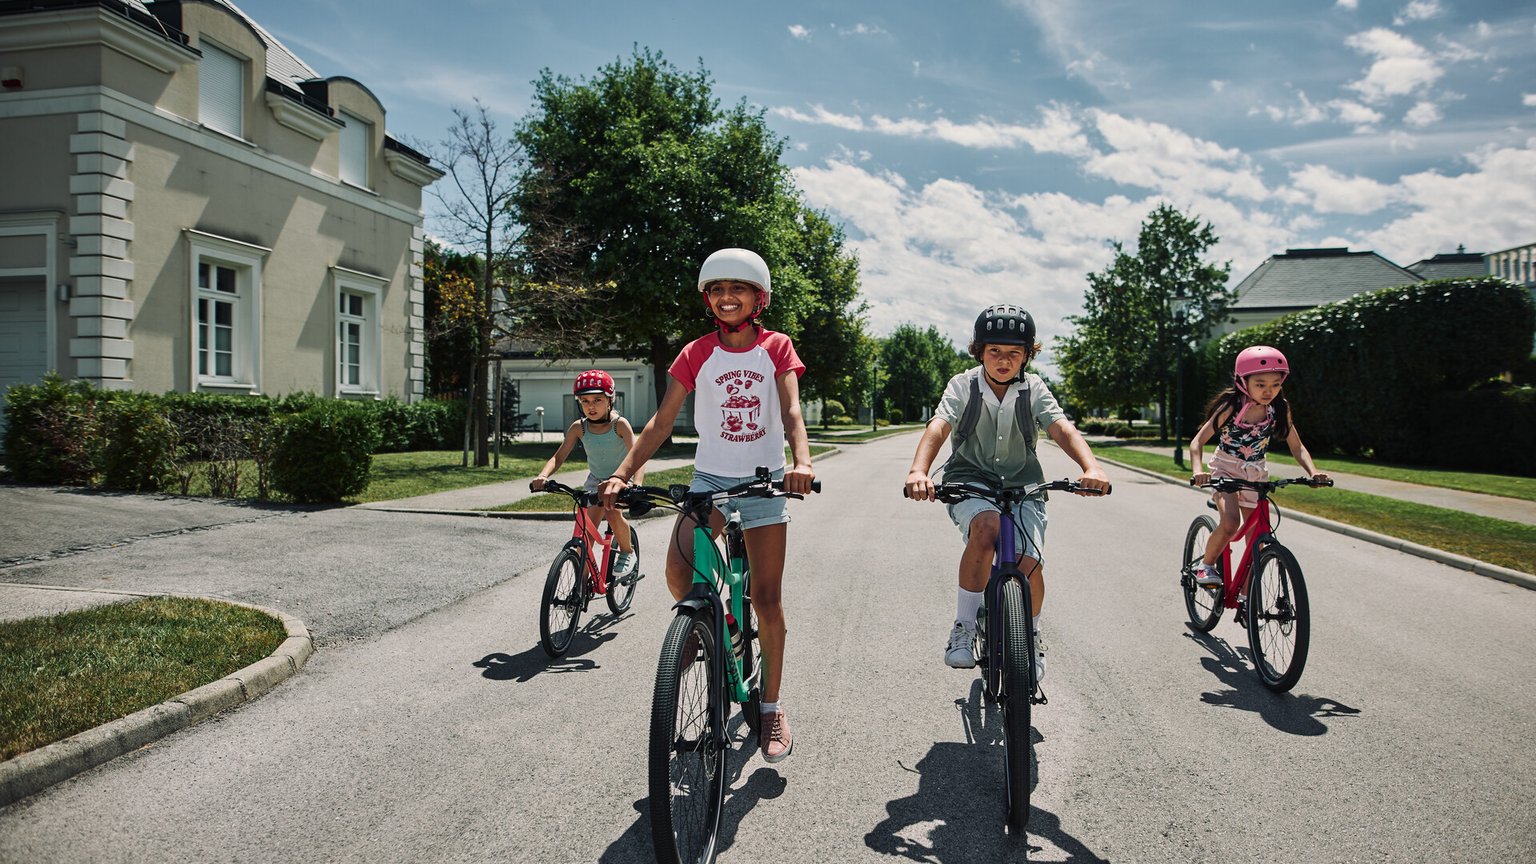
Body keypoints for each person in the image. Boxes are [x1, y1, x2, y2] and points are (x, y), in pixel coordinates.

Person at [600, 247, 815, 765]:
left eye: (737, 289)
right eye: (716, 290)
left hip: (765, 482)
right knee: (678, 568)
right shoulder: (696, 352)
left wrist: (801, 462)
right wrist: (622, 472)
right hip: (711, 479)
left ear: (758, 297)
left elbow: (790, 412)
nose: (726, 298)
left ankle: (771, 707)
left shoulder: (776, 346)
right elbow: (660, 421)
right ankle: (719, 626)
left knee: (766, 598)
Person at [904, 304, 1110, 684]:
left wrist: (1090, 467)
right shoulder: (963, 385)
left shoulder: (1034, 389)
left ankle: (1030, 636)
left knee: (1029, 561)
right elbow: (940, 425)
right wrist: (919, 470)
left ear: (1027, 355)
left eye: (1014, 353)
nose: (1003, 360)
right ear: (979, 351)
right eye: (994, 351)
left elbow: (1060, 427)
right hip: (971, 479)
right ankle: (963, 628)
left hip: (1024, 483)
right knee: (986, 530)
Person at [1188, 345, 1328, 590]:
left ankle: (1246, 597)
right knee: (1230, 523)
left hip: (1256, 474)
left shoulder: (1277, 409)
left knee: (1257, 541)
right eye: (1261, 384)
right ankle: (1206, 565)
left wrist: (1313, 472)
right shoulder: (1231, 407)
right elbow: (1198, 441)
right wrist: (1198, 470)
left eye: (1275, 384)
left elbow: (1298, 447)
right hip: (1225, 471)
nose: (1269, 391)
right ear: (1244, 382)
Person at [532, 369, 640, 579]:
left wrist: (635, 483)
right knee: (585, 536)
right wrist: (543, 476)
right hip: (595, 481)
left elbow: (637, 456)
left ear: (610, 400)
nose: (591, 406)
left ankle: (627, 551)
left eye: (598, 400)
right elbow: (558, 457)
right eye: (585, 401)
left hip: (620, 481)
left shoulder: (620, 425)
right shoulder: (578, 428)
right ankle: (580, 589)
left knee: (611, 511)